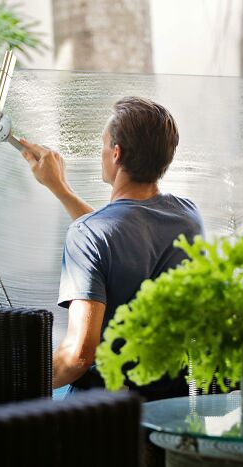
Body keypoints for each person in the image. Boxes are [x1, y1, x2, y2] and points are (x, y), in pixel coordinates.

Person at [19, 96, 204, 400]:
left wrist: (12, 379)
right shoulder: (188, 217)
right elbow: (122, 234)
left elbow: (78, 357)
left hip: (106, 413)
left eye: (103, 144)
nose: (101, 152)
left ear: (116, 154)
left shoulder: (90, 233)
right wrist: (60, 189)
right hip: (170, 404)